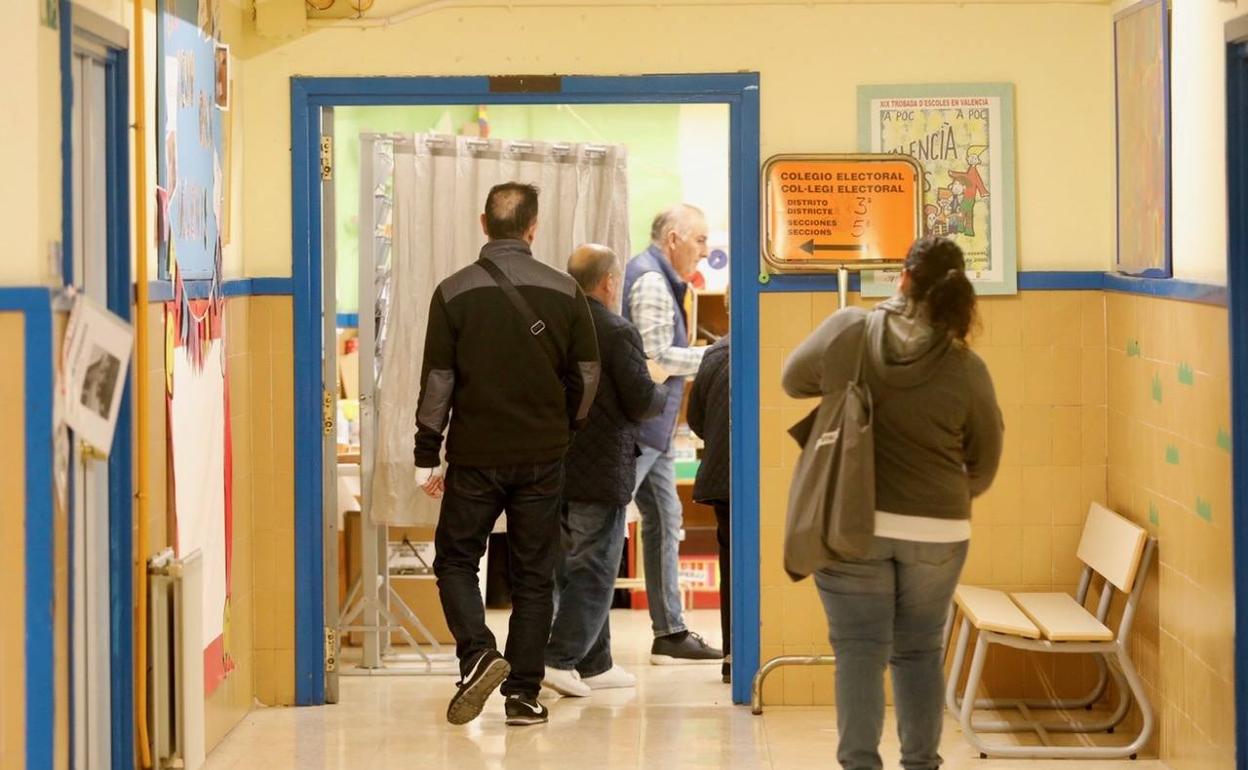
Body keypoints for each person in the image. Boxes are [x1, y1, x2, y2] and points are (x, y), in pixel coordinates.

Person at [781, 236, 1004, 770]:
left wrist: (844, 381)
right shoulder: (965, 366)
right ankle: (921, 762)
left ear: (903, 276)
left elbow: (793, 380)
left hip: (850, 521)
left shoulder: (850, 329)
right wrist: (950, 495)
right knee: (919, 650)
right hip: (939, 532)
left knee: (859, 650)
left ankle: (860, 763)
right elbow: (986, 459)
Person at [413, 182, 600, 727]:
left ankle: (478, 655)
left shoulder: (452, 292)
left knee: (454, 559)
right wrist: (566, 426)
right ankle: (522, 694)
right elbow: (587, 376)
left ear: (482, 223)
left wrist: (428, 451)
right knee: (534, 575)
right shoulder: (566, 291)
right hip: (543, 455)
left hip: (475, 456)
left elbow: (438, 382)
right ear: (533, 227)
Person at [543, 244, 668, 698]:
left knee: (568, 567)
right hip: (600, 469)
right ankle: (559, 659)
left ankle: (595, 663)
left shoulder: (550, 326)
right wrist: (660, 385)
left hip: (554, 466)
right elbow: (640, 399)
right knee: (596, 568)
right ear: (609, 282)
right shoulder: (616, 331)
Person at [623, 205, 723, 665]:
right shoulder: (650, 281)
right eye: (700, 241)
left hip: (656, 429)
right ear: (674, 239)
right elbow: (652, 357)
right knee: (603, 532)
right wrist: (719, 356)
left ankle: (670, 632)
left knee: (665, 521)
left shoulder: (662, 279)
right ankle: (573, 646)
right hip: (639, 428)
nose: (704, 252)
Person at [687, 328, 731, 683]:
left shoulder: (714, 354)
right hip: (753, 476)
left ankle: (732, 655)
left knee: (730, 567)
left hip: (720, 475)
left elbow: (695, 420)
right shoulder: (765, 349)